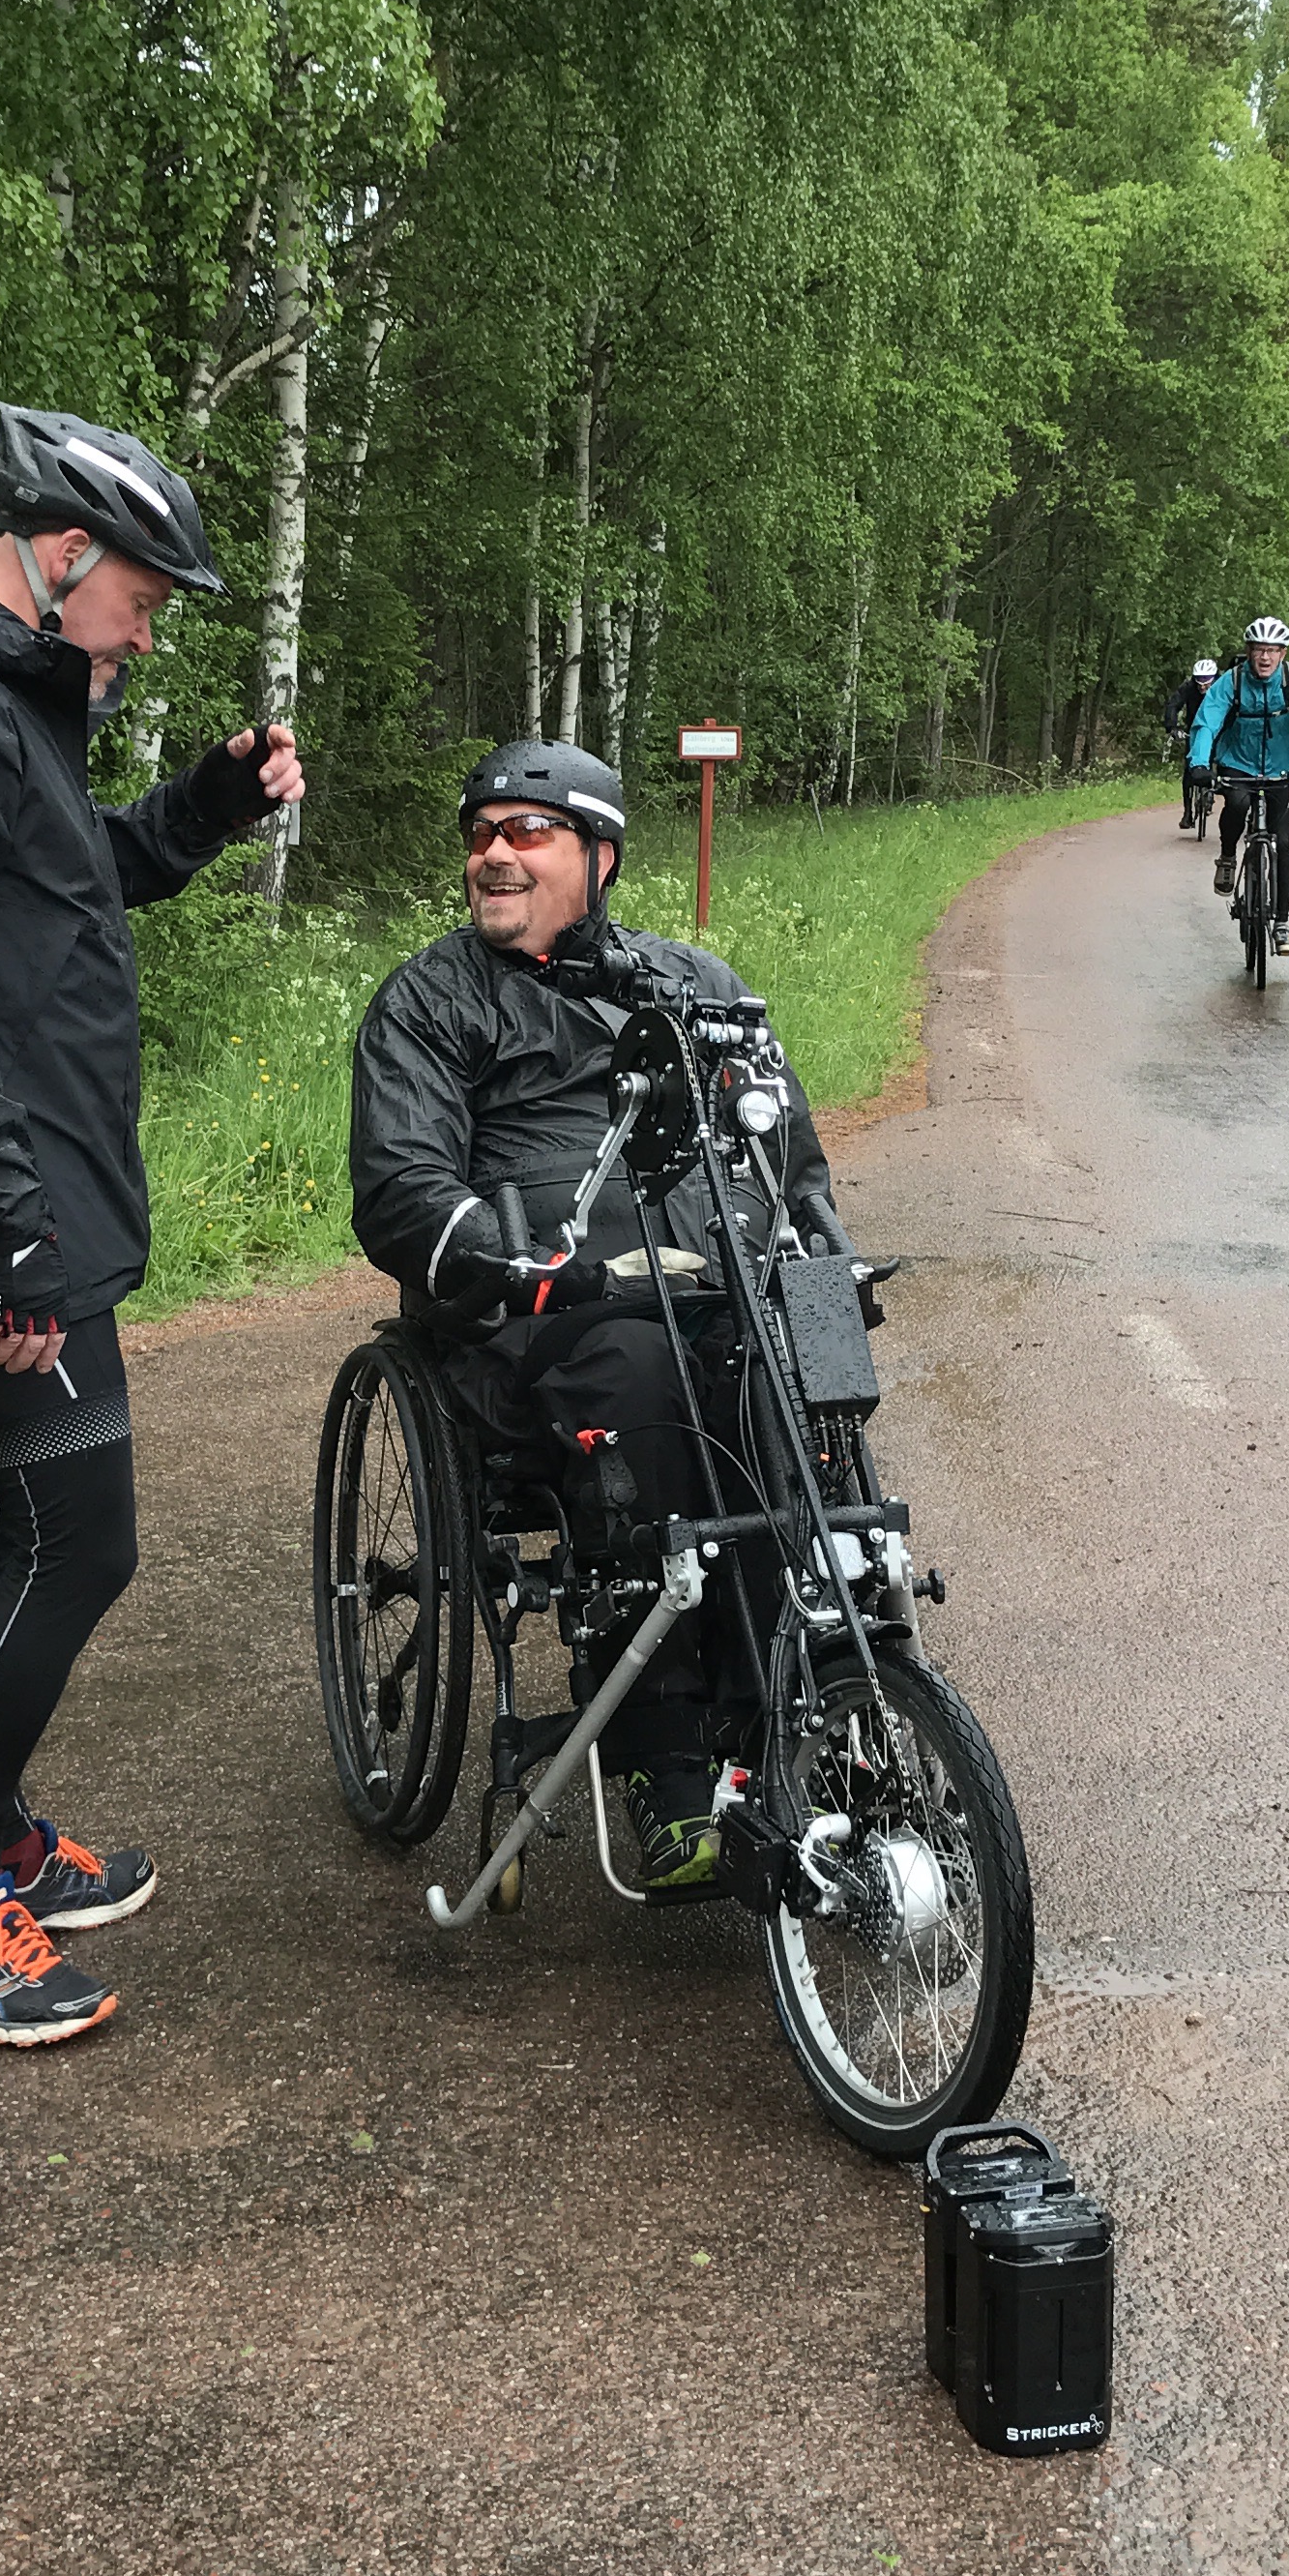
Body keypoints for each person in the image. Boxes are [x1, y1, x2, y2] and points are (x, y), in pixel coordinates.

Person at [0, 403, 308, 2050]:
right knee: (84, 1540)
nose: (146, 630)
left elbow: (68, 882)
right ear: (64, 549)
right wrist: (8, 1230)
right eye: (143, 598)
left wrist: (205, 806)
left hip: (5, 1195)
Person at [346, 739, 860, 1892]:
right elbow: (402, 1185)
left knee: (806, 1373)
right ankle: (670, 1769)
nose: (494, 853)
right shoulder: (429, 1002)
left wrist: (822, 1249)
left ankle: (829, 1692)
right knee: (644, 1385)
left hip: (711, 1285)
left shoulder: (696, 986)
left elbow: (789, 1155)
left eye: (526, 831)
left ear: (600, 855)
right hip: (536, 1315)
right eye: (480, 833)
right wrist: (510, 1260)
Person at [1189, 616, 1289, 956]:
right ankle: (1228, 855)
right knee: (1237, 803)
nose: (1265, 657)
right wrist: (1198, 763)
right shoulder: (1233, 681)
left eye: (1272, 650)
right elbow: (1207, 722)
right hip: (1238, 761)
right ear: (1249, 651)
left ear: (1283, 653)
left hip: (1282, 767)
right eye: (1258, 650)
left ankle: (1282, 923)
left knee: (1282, 843)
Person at [1166, 657, 1220, 830]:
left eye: (1207, 683)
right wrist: (1173, 727)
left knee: (1223, 763)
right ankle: (1188, 812)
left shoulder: (1223, 686)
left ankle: (1213, 793)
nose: (1202, 687)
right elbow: (1173, 705)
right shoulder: (1188, 687)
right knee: (1189, 771)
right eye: (1199, 683)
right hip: (1195, 731)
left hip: (1219, 730)